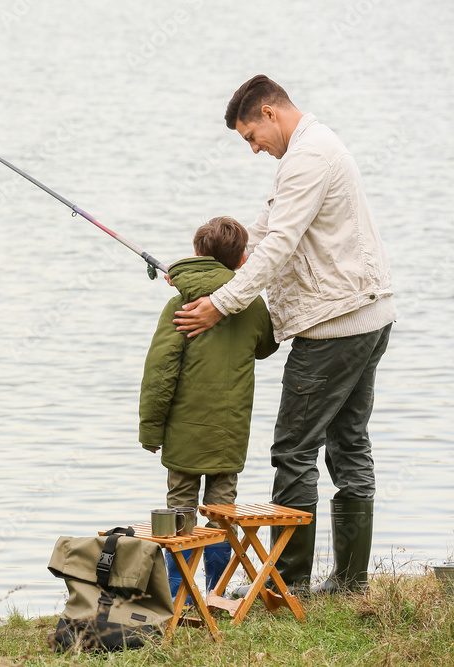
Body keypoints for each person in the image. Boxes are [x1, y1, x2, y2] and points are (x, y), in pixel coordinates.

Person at [173, 75, 395, 594]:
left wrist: (220, 305)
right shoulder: (307, 150)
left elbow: (277, 250)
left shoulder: (308, 158)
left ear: (270, 113)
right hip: (367, 316)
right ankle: (350, 584)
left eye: (252, 136)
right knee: (349, 445)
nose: (254, 149)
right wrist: (208, 271)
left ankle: (286, 586)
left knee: (294, 451)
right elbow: (263, 235)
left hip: (333, 326)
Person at [140, 216, 279, 599]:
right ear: (239, 261)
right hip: (228, 433)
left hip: (183, 434)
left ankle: (176, 594)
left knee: (180, 511)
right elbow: (267, 346)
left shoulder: (180, 303)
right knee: (221, 511)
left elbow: (160, 372)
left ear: (198, 253)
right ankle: (216, 592)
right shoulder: (249, 303)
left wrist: (151, 430)